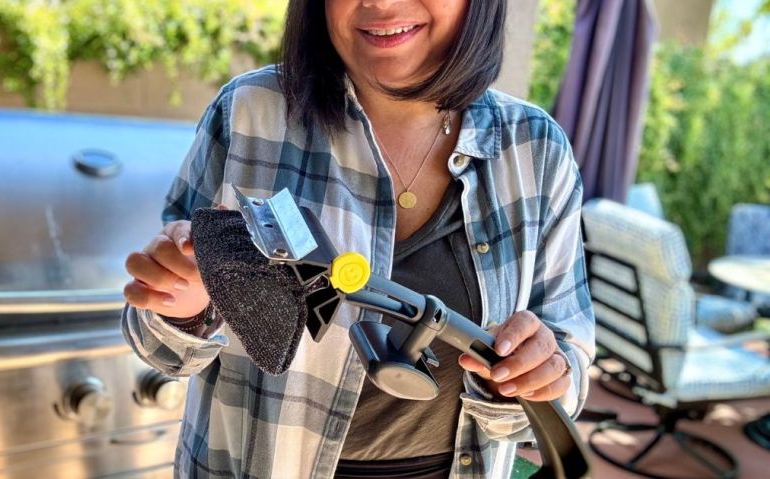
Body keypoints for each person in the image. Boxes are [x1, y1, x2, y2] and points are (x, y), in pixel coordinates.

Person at [122, 0, 594, 477]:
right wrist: (181, 307)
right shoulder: (249, 113)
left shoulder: (536, 151)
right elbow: (160, 348)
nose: (381, 4)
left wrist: (540, 373)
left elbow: (566, 363)